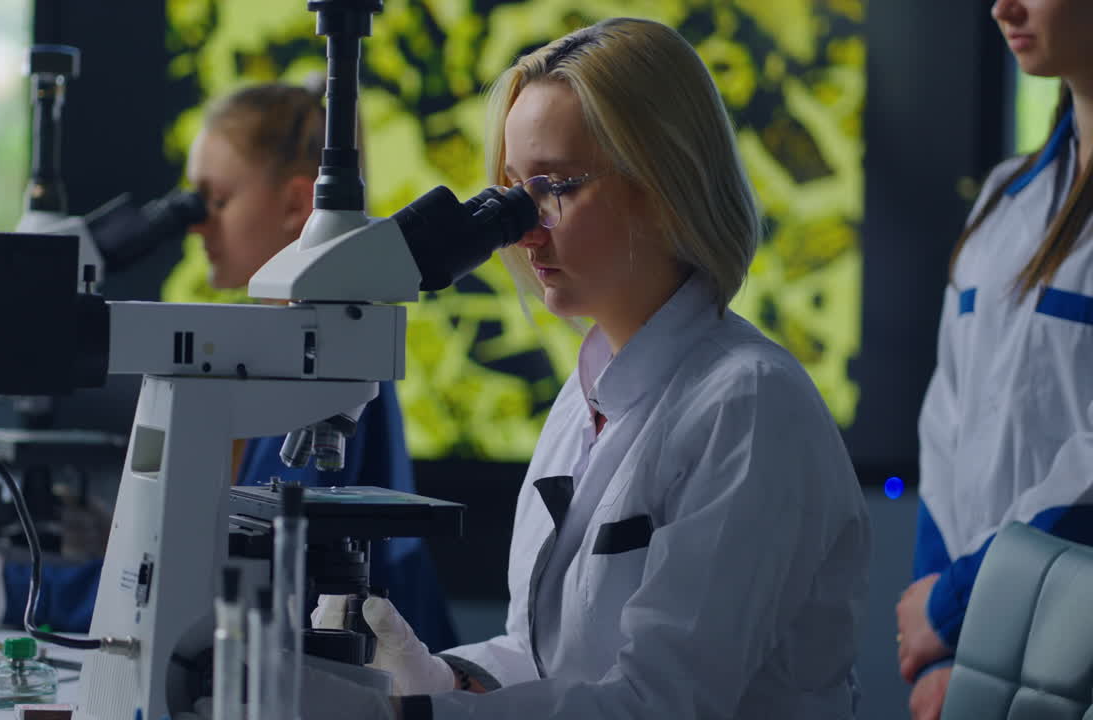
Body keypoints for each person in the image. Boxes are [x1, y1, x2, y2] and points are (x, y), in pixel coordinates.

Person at [308, 17, 871, 720]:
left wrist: (415, 718)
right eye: (511, 191)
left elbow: (659, 703)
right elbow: (545, 658)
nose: (521, 228)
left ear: (664, 182)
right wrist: (439, 675)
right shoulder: (588, 397)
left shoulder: (748, 405)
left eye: (551, 189)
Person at [0, 81, 459, 653]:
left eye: (216, 201)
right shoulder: (271, 347)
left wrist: (17, 589)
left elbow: (259, 580)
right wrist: (127, 534)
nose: (197, 224)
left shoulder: (329, 361)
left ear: (296, 206)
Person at [896, 1, 1093, 717]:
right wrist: (940, 641)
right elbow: (947, 422)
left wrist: (955, 610)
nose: (1001, 6)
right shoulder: (1003, 197)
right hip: (973, 654)